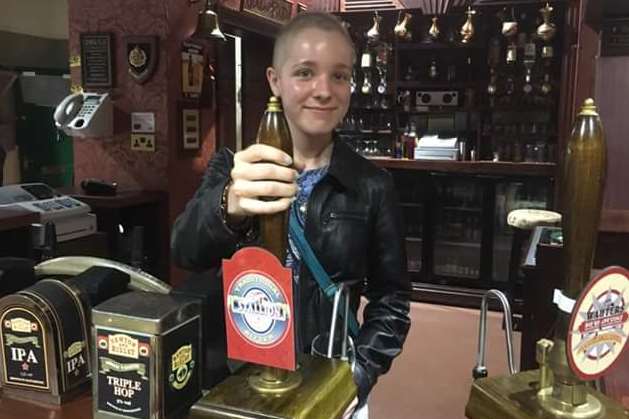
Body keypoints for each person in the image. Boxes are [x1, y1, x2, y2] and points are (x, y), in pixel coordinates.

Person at [171, 12, 411, 417]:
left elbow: (392, 299)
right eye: (304, 73)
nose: (324, 91)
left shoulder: (372, 185)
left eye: (339, 75)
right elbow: (184, 252)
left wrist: (357, 375)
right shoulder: (231, 168)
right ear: (274, 80)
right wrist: (227, 204)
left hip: (333, 384)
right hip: (241, 383)